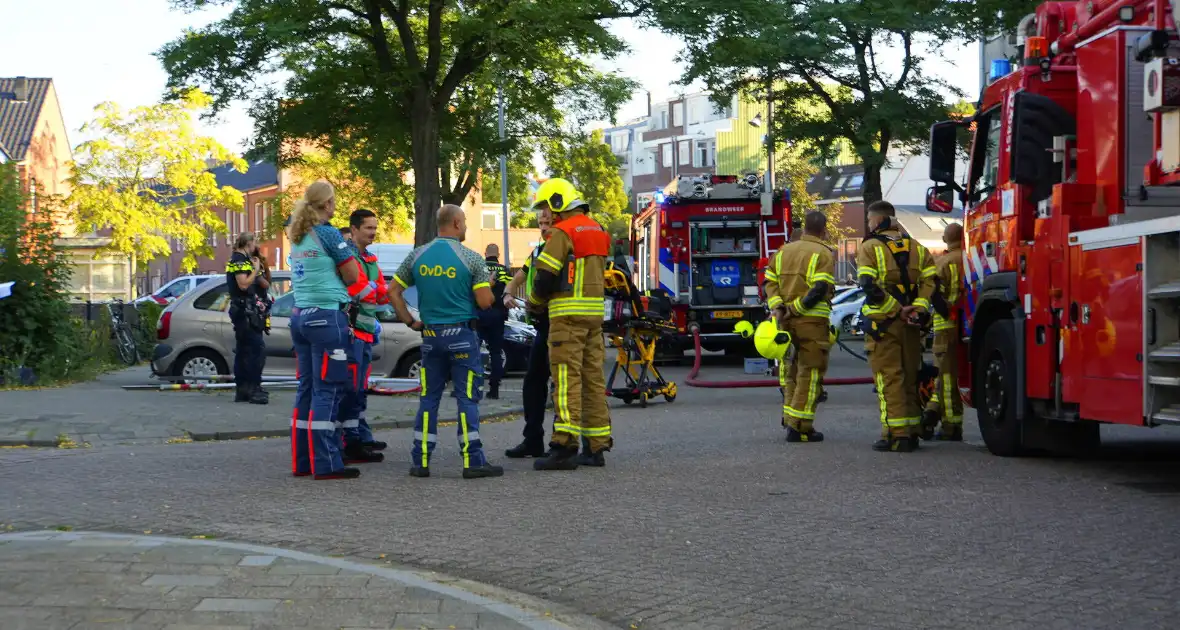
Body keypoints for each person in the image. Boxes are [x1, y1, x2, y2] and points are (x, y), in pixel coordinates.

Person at [388, 204, 504, 479]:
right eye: (463, 222)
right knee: (467, 399)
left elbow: (393, 291)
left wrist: (410, 321)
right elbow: (485, 302)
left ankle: (420, 460)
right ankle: (472, 460)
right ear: (454, 222)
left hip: (430, 338)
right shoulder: (471, 258)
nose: (465, 227)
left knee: (429, 398)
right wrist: (487, 284)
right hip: (462, 336)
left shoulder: (417, 256)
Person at [527, 178, 613, 470]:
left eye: (548, 207)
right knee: (592, 381)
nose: (549, 215)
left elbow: (545, 276)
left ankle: (564, 447)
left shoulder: (563, 232)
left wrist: (535, 304)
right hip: (593, 318)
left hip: (566, 318)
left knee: (566, 382)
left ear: (558, 203)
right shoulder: (599, 230)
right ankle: (595, 446)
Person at [287, 179, 371, 480]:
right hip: (327, 318)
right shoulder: (328, 233)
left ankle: (302, 462)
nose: (335, 206)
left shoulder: (296, 235)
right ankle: (327, 463)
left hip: (300, 316)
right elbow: (352, 275)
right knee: (329, 389)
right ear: (326, 204)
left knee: (307, 389)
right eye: (333, 201)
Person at [856, 200, 937, 453]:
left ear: (878, 220)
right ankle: (912, 430)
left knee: (889, 378)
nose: (869, 224)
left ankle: (897, 435)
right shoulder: (919, 248)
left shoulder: (869, 248)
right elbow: (930, 282)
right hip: (912, 325)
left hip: (884, 324)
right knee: (911, 376)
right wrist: (919, 308)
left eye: (870, 220)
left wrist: (896, 310)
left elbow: (868, 285)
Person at [763, 211, 836, 443]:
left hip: (785, 323)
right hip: (811, 323)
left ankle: (789, 418)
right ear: (823, 230)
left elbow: (769, 281)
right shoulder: (823, 253)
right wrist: (795, 309)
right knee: (811, 373)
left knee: (791, 373)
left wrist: (778, 308)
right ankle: (801, 426)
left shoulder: (783, 251)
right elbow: (819, 290)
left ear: (804, 228)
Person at [336, 209, 390, 464]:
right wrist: (374, 290)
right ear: (354, 229)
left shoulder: (368, 258)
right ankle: (349, 442)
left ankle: (356, 438)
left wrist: (374, 290)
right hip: (352, 332)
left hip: (365, 332)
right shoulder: (348, 257)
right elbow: (357, 290)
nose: (373, 232)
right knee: (350, 389)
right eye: (369, 228)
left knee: (359, 389)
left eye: (374, 228)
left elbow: (379, 294)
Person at [501, 208, 556, 458]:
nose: (543, 228)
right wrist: (508, 293)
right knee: (533, 382)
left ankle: (563, 442)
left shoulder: (562, 249)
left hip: (560, 323)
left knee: (561, 385)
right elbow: (518, 278)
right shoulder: (537, 251)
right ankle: (533, 440)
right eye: (541, 223)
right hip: (543, 325)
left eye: (548, 222)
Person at [922, 222, 965, 441]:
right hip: (967, 328)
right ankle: (932, 412)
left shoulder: (943, 262)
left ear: (946, 239)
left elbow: (933, 293)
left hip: (945, 328)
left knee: (946, 379)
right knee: (955, 375)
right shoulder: (970, 259)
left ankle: (951, 426)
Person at [226, 232, 270, 405]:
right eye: (254, 243)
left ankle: (243, 390)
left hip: (243, 310)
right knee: (256, 350)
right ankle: (253, 389)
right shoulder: (239, 260)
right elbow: (243, 284)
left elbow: (265, 284)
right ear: (248, 243)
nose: (255, 246)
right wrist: (256, 270)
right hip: (245, 310)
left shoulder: (239, 260)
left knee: (244, 351)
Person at [477, 243, 513, 400]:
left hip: (479, 313)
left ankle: (473, 386)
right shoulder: (504, 270)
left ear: (485, 253)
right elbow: (509, 288)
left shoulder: (479, 267)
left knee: (473, 351)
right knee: (496, 352)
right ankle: (494, 389)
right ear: (498, 254)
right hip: (498, 315)